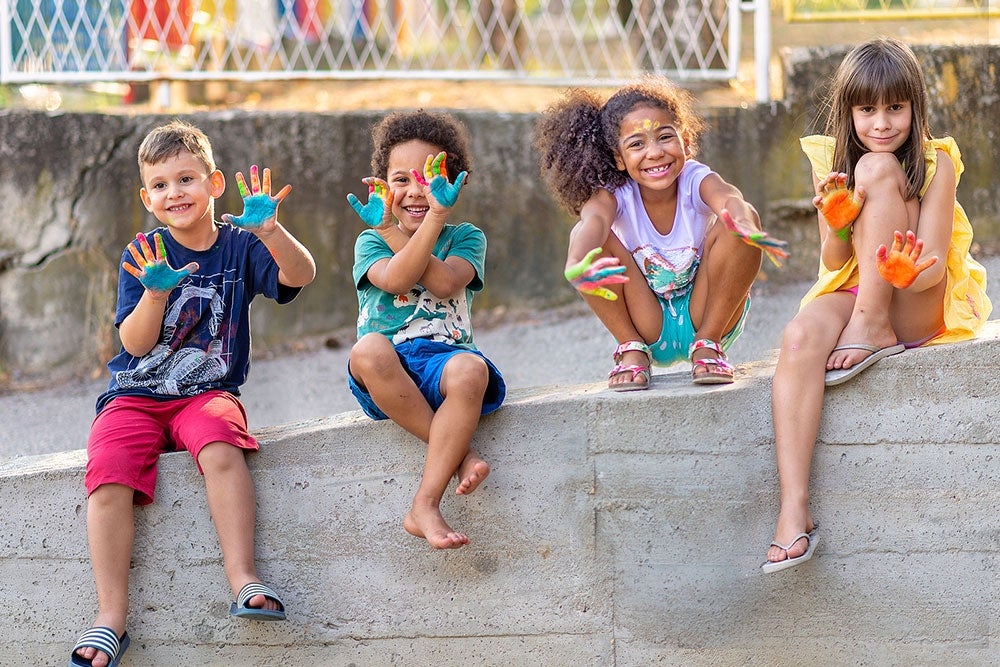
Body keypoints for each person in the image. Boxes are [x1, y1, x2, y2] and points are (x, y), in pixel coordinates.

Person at [70, 120, 316, 666]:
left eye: (185, 179)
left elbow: (301, 276)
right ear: (146, 197)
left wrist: (272, 232)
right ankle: (110, 617)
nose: (173, 193)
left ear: (214, 183)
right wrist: (155, 294)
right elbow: (133, 343)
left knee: (222, 446)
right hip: (136, 395)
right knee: (107, 470)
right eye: (159, 185)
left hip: (207, 391)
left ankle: (243, 578)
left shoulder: (241, 245)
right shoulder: (143, 251)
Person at [763, 38, 991, 573]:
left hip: (914, 298)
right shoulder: (832, 162)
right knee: (797, 339)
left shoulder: (937, 163)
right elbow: (833, 256)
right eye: (867, 110)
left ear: (915, 107)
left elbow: (931, 263)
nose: (882, 124)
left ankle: (874, 326)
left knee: (877, 169)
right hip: (859, 287)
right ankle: (793, 511)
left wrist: (905, 274)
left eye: (895, 107)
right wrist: (838, 219)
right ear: (849, 112)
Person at [533, 76, 788, 390]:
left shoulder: (695, 179)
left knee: (738, 224)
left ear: (686, 141)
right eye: (637, 144)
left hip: (707, 314)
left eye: (665, 137)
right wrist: (576, 264)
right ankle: (630, 349)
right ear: (618, 158)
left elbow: (728, 198)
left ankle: (708, 346)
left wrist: (744, 222)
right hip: (647, 323)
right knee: (594, 245)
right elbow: (593, 222)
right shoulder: (614, 194)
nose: (654, 153)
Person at [345, 110, 506, 550]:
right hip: (388, 374)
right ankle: (456, 460)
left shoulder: (467, 237)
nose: (416, 191)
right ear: (381, 185)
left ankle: (424, 502)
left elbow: (445, 281)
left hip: (445, 362)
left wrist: (434, 219)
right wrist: (384, 227)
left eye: (431, 177)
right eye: (402, 179)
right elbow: (397, 278)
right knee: (368, 348)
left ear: (455, 183)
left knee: (472, 371)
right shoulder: (371, 240)